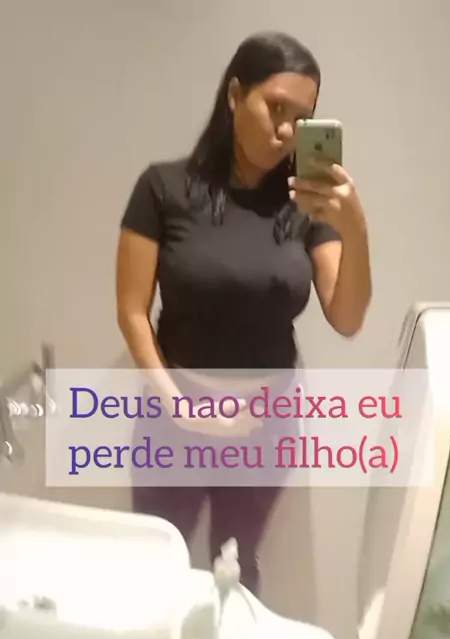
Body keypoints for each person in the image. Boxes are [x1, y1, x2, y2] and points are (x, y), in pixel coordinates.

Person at [116, 31, 372, 595]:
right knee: (154, 565)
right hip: (172, 416)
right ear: (235, 95)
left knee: (235, 571)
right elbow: (132, 311)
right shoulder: (163, 188)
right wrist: (178, 404)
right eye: (275, 107)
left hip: (265, 424)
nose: (286, 131)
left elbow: (347, 316)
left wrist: (353, 226)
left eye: (301, 118)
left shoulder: (307, 205)